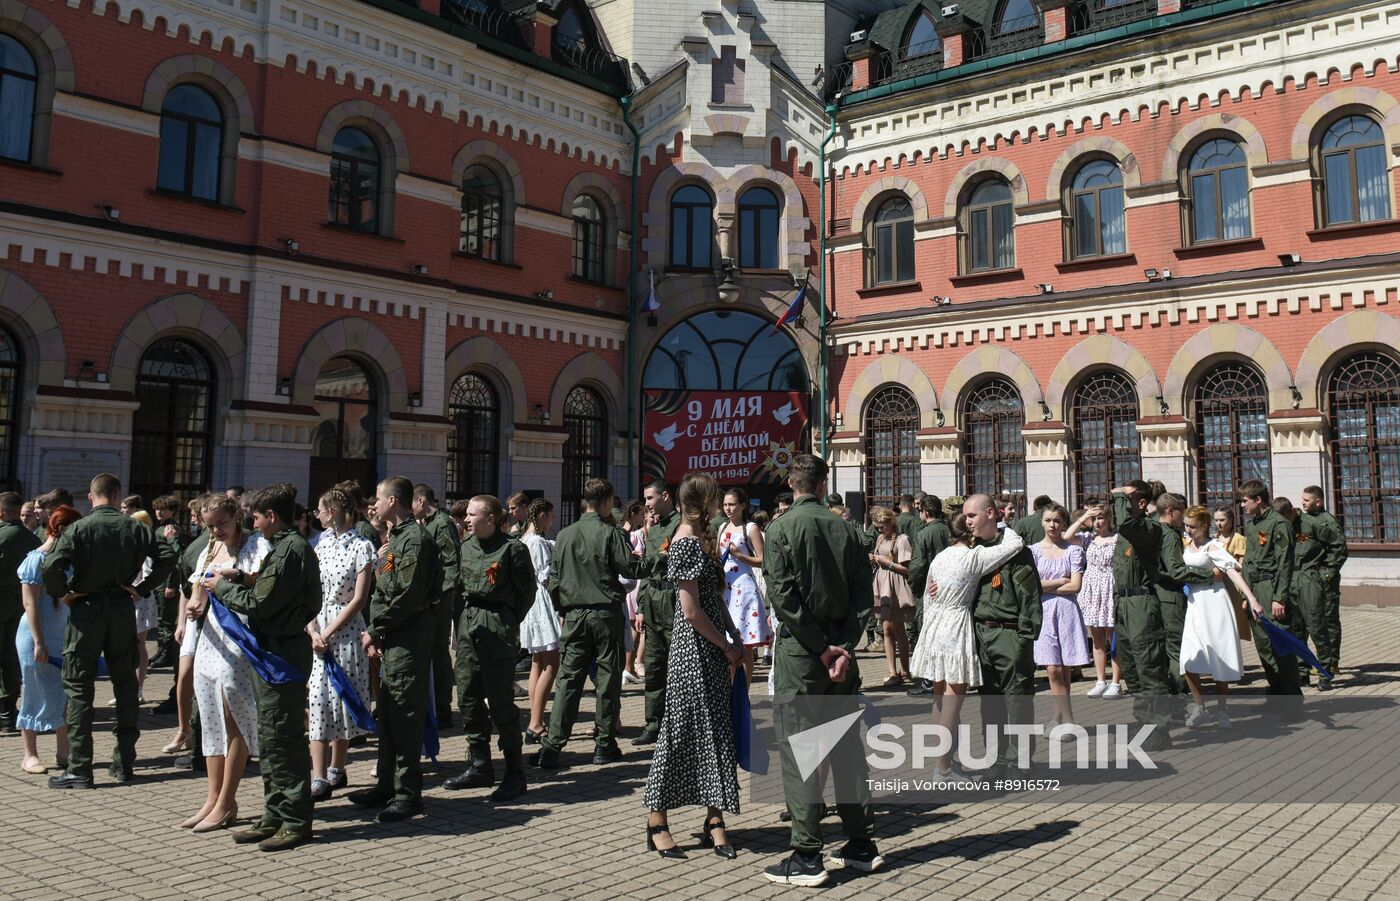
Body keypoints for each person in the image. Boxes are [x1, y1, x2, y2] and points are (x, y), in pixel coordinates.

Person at [762, 454, 881, 887]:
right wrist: (844, 647)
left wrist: (821, 648)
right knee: (847, 749)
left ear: (791, 482)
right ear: (822, 481)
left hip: (803, 656)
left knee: (802, 753)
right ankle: (861, 844)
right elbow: (862, 597)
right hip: (840, 656)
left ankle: (807, 855)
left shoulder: (780, 529)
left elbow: (783, 597)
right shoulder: (846, 530)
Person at [204, 485, 321, 852]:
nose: (252, 522)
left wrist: (223, 587)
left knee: (285, 739)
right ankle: (275, 813)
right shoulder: (284, 549)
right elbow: (266, 590)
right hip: (271, 652)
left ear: (271, 516)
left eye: (255, 516)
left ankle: (296, 820)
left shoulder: (290, 550)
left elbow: (263, 603)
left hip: (281, 654)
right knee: (270, 739)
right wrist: (241, 578)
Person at [44, 473, 175, 789]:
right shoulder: (135, 527)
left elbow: (50, 566)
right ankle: (124, 763)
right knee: (125, 685)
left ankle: (80, 768)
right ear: (117, 496)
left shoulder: (78, 528)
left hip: (86, 609)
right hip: (120, 607)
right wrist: (142, 588)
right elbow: (168, 556)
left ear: (91, 498)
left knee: (78, 688)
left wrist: (63, 593)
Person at [642, 473, 743, 860]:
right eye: (715, 498)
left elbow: (714, 599)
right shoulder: (684, 542)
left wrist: (733, 637)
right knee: (680, 732)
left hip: (715, 646)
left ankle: (714, 819)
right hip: (693, 650)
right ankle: (657, 820)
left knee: (716, 732)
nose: (720, 504)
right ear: (702, 503)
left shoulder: (703, 539)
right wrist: (725, 645)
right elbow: (690, 610)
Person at [347, 478, 440, 823]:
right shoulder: (397, 540)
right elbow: (387, 584)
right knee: (388, 712)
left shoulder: (415, 540)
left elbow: (410, 596)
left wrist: (375, 629)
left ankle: (407, 793)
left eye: (378, 498)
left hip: (408, 638)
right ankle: (386, 785)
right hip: (393, 638)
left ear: (393, 501)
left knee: (404, 717)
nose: (373, 504)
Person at [531, 477, 641, 769]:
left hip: (574, 616)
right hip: (605, 614)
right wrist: (655, 561)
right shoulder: (611, 532)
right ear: (606, 503)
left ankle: (552, 746)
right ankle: (604, 745)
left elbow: (552, 579)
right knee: (606, 680)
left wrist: (563, 607)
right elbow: (629, 568)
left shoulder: (565, 535)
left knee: (568, 680)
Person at [909, 512, 1025, 779]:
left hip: (935, 623)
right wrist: (1001, 524)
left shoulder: (941, 556)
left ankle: (943, 760)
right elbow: (1016, 544)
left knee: (939, 695)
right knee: (953, 697)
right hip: (955, 625)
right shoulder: (973, 557)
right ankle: (944, 767)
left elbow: (928, 594)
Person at [182, 494, 272, 832]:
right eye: (211, 525)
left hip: (240, 639)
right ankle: (213, 797)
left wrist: (237, 577)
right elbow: (198, 590)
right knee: (210, 719)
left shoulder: (255, 547)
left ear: (237, 517)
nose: (217, 530)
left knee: (233, 716)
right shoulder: (209, 548)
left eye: (222, 523)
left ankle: (226, 800)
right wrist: (193, 605)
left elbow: (262, 586)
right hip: (211, 639)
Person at [445, 494, 535, 801]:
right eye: (466, 515)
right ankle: (480, 766)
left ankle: (514, 773)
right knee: (468, 697)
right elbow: (457, 588)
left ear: (491, 519)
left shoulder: (513, 549)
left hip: (497, 629)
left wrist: (507, 620)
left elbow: (527, 593)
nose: (466, 519)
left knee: (501, 704)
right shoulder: (465, 548)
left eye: (472, 515)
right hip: (469, 630)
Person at [961, 494, 1042, 778]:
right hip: (981, 632)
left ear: (992, 514)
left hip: (1009, 634)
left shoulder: (1015, 549)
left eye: (972, 515)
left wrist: (1024, 638)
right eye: (965, 516)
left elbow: (1030, 596)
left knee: (1017, 700)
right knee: (990, 703)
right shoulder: (971, 549)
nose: (967, 521)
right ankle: (996, 761)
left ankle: (1019, 762)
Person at [307, 487, 374, 802]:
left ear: (331, 512)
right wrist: (312, 629)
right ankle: (317, 775)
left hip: (345, 633)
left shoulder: (361, 546)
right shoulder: (319, 544)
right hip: (318, 630)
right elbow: (309, 591)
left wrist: (329, 631)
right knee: (318, 700)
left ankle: (338, 767)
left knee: (343, 700)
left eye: (319, 509)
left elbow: (359, 598)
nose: (316, 515)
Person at [1109, 481, 1181, 751]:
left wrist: (1118, 498)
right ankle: (1143, 721)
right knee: (1131, 667)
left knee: (1149, 667)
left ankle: (1158, 727)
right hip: (1123, 602)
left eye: (1125, 498)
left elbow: (1127, 523)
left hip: (1142, 602)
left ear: (1140, 502)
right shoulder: (1128, 531)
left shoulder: (1150, 528)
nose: (1117, 502)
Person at [1181, 506, 1261, 728]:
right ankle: (1199, 708)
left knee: (1219, 656)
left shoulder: (1213, 545)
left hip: (1215, 604)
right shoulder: (1186, 544)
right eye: (1186, 525)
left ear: (1204, 526)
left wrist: (1251, 599)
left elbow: (1232, 571)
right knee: (1188, 657)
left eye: (1192, 526)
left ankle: (1222, 709)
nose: (1188, 530)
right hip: (1195, 604)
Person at [16, 505, 80, 773]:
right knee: (34, 690)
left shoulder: (68, 560)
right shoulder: (35, 559)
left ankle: (63, 751)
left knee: (62, 692)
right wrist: (39, 642)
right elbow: (30, 605)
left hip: (61, 635)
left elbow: (65, 598)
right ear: (63, 529)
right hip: (35, 636)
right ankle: (29, 755)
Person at [1030, 504, 1092, 728]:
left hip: (1067, 611)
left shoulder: (1073, 550)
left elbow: (1076, 586)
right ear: (1042, 522)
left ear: (1064, 523)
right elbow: (1032, 586)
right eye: (1048, 520)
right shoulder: (1033, 551)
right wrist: (1059, 581)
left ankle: (1057, 718)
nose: (1052, 525)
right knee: (1053, 668)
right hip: (1043, 612)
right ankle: (1069, 721)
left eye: (1057, 520)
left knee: (1065, 669)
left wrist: (1047, 586)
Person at [1239, 480, 1301, 703]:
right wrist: (1246, 595)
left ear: (1258, 500)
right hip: (1255, 589)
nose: (1242, 505)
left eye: (1245, 501)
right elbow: (1248, 562)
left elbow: (1285, 563)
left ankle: (1292, 697)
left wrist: (1279, 598)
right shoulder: (1253, 525)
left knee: (1280, 645)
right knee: (1263, 644)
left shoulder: (1279, 524)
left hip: (1271, 587)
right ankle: (1276, 689)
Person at [634, 479, 679, 747]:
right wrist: (640, 607)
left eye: (650, 498)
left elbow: (661, 559)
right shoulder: (652, 530)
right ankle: (653, 723)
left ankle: (676, 723)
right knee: (653, 666)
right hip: (652, 600)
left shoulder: (679, 526)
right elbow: (647, 575)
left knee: (674, 665)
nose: (647, 505)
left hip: (671, 599)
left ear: (665, 496)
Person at [412, 484, 461, 726]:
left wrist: (439, 596)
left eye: (412, 504)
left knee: (439, 652)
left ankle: (443, 710)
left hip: (439, 600)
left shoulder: (442, 523)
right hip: (429, 597)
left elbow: (452, 562)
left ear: (421, 501)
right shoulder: (427, 524)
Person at [1293, 486, 1347, 690]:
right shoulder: (1303, 519)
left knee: (1327, 620)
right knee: (1303, 624)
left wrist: (1326, 574)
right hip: (1306, 580)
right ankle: (1305, 669)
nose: (1303, 503)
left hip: (1324, 582)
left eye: (1307, 500)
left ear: (1318, 501)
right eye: (1302, 499)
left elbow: (1339, 550)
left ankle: (1331, 663)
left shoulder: (1327, 521)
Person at [518, 499, 562, 743]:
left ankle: (536, 719)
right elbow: (545, 575)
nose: (552, 520)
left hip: (532, 603)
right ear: (542, 516)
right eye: (551, 515)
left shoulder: (526, 539)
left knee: (537, 661)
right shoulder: (536, 541)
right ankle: (536, 722)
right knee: (550, 662)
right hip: (542, 603)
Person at [718, 487, 769, 686]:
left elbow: (763, 560)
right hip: (725, 588)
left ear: (743, 505)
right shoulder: (722, 527)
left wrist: (740, 556)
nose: (728, 508)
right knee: (727, 642)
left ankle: (744, 693)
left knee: (745, 643)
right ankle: (730, 690)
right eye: (725, 505)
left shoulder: (751, 528)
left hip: (743, 587)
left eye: (731, 504)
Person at [0, 490, 41, 735]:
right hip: (22, 605)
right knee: (12, 657)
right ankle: (9, 712)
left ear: (2, 512)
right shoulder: (32, 540)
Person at [1076, 502, 1124, 698]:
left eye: (1101, 517)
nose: (1097, 522)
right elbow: (1066, 536)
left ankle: (1116, 682)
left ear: (1109, 519)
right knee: (1096, 639)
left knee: (1113, 637)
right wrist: (1083, 516)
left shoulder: (1117, 539)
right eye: (1094, 519)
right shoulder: (1088, 539)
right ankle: (1100, 680)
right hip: (1092, 588)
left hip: (1109, 586)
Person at [905, 495, 951, 697]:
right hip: (952, 590)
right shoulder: (949, 529)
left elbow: (917, 566)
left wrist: (915, 588)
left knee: (928, 635)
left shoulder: (924, 534)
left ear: (924, 512)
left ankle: (930, 681)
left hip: (929, 590)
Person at [869, 507, 915, 687]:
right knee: (886, 628)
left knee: (898, 629)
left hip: (895, 584)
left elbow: (907, 569)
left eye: (882, 526)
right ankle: (892, 672)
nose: (880, 530)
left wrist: (887, 562)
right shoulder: (881, 538)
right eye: (878, 527)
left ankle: (905, 670)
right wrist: (874, 559)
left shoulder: (902, 540)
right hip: (882, 584)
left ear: (890, 523)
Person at [149, 494, 187, 669]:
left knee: (167, 618)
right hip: (158, 578)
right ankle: (160, 649)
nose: (158, 512)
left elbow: (176, 561)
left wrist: (171, 585)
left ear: (172, 511)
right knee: (161, 617)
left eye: (162, 509)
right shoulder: (160, 527)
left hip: (166, 580)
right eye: (157, 509)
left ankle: (167, 652)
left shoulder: (172, 529)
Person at [1213, 506, 1253, 644]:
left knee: (1234, 622)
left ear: (1231, 520)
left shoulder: (1238, 539)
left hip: (1233, 586)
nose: (1219, 523)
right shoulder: (1215, 540)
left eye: (1222, 520)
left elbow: (1240, 566)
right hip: (1217, 585)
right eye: (1216, 520)